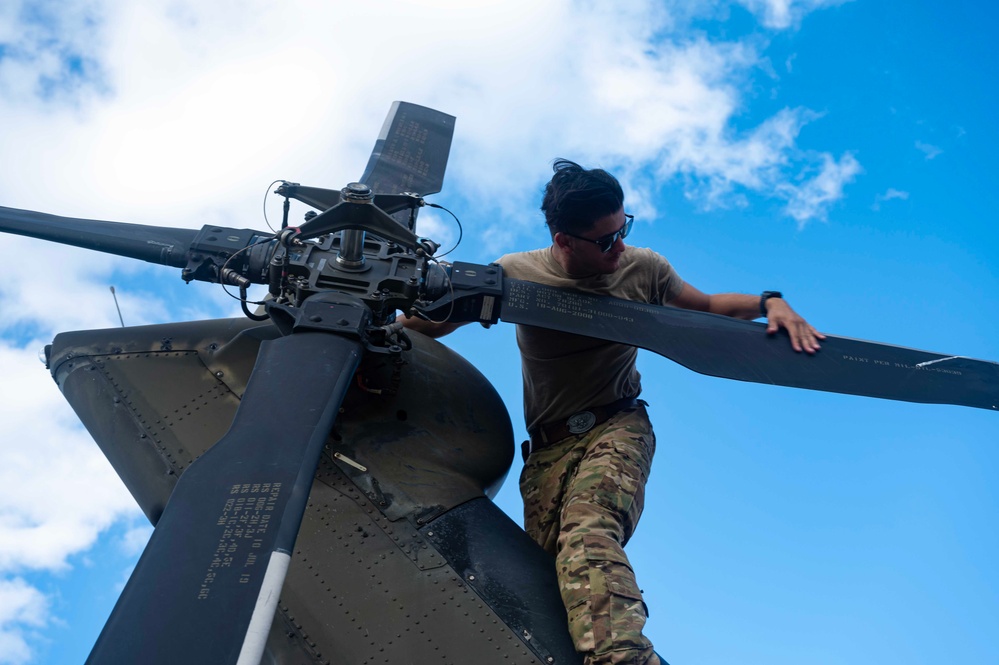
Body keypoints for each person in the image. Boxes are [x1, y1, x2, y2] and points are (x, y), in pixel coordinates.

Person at [404, 159, 824, 665]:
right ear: (564, 241)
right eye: (604, 241)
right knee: (543, 585)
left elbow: (708, 307)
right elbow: (429, 326)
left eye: (622, 229)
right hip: (546, 455)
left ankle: (625, 658)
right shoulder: (515, 275)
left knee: (588, 530)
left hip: (617, 425)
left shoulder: (642, 268)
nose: (619, 247)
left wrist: (770, 301)